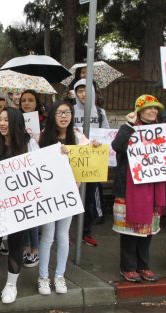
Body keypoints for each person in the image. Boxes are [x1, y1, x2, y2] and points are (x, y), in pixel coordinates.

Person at [0, 107, 39, 303]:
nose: (2, 123)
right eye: (0, 119)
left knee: (16, 244)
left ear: (15, 122)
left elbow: (39, 167)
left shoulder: (28, 143)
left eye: (6, 120)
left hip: (18, 205)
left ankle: (11, 285)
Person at [37, 101, 95, 295]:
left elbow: (90, 157)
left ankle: (60, 276)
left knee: (63, 236)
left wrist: (94, 147)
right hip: (47, 195)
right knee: (47, 236)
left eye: (67, 112)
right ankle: (43, 277)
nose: (64, 116)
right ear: (52, 116)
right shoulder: (41, 138)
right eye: (60, 113)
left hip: (69, 194)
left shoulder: (78, 136)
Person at [111, 95, 166, 283]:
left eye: (155, 109)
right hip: (129, 189)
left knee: (147, 230)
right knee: (130, 230)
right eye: (148, 108)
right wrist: (128, 125)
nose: (153, 111)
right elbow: (117, 146)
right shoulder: (128, 129)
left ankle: (143, 265)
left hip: (151, 189)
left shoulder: (158, 131)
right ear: (139, 111)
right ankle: (128, 267)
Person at [73, 79, 110, 247]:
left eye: (86, 90)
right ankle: (67, 234)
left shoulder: (101, 113)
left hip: (92, 163)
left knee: (90, 200)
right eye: (79, 91)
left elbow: (107, 135)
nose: (83, 94)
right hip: (74, 161)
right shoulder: (70, 111)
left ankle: (86, 232)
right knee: (70, 198)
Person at [18, 90, 45, 268]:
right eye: (24, 100)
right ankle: (25, 246)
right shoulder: (15, 119)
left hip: (35, 171)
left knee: (32, 214)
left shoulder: (45, 121)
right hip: (18, 171)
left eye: (30, 100)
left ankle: (35, 249)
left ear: (36, 103)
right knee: (23, 213)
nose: (27, 103)